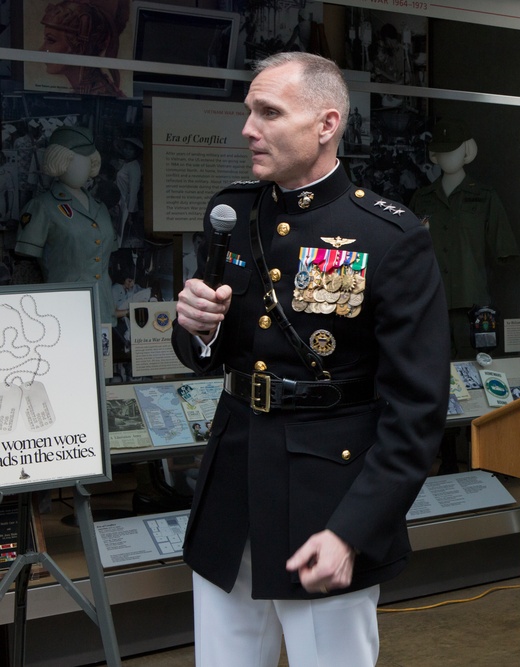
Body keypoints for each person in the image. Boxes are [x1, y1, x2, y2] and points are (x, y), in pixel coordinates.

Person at [171, 52, 449, 666]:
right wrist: (196, 328)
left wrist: (355, 528)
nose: (249, 128)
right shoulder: (235, 212)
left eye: (269, 112)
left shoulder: (388, 236)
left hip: (326, 502)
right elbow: (202, 350)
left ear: (326, 124)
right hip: (232, 490)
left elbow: (418, 410)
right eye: (249, 111)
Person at [409, 118, 519, 360]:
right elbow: (410, 251)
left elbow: (505, 252)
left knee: (475, 366)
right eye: (442, 150)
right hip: (431, 301)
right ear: (434, 155)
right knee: (432, 365)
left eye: (453, 149)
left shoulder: (484, 197)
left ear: (467, 150)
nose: (447, 156)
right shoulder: (422, 199)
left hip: (473, 303)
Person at [14, 125, 119, 324]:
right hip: (63, 315)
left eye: (88, 159)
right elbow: (26, 265)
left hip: (103, 312)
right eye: (76, 159)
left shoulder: (100, 209)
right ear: (60, 161)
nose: (85, 165)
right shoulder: (41, 207)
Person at [38, 0, 129, 97]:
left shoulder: (103, 97)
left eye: (51, 40)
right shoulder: (91, 91)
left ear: (80, 46)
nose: (41, 50)